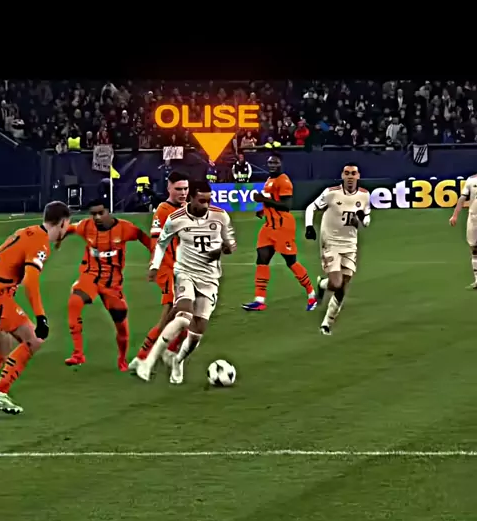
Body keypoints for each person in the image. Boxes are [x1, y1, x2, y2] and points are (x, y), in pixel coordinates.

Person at [134, 180, 236, 385]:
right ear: (190, 198)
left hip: (210, 278)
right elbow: (161, 243)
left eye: (208, 201)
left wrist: (221, 250)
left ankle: (177, 360)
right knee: (182, 315)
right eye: (201, 201)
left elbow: (230, 245)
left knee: (197, 332)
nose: (206, 205)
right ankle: (148, 362)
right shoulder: (176, 218)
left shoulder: (220, 216)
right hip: (185, 272)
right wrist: (155, 266)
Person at [0, 201, 71, 415]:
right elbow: (30, 281)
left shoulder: (27, 231)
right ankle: (0, 391)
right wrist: (40, 317)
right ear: (63, 222)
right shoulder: (41, 242)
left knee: (3, 347)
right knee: (34, 339)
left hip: (2, 293)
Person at [64, 199, 152, 371]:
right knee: (74, 301)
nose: (97, 217)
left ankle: (122, 359)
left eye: (100, 213)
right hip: (90, 277)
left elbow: (142, 236)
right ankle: (78, 354)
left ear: (108, 211)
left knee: (121, 326)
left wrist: (155, 257)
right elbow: (71, 228)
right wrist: (59, 237)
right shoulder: (86, 226)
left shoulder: (125, 228)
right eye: (93, 214)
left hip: (112, 284)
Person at [129, 172, 189, 371]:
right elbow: (157, 243)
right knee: (171, 316)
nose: (183, 192)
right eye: (178, 189)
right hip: (169, 269)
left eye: (185, 188)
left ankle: (166, 351)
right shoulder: (163, 211)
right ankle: (142, 357)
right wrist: (155, 266)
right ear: (169, 188)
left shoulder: (186, 209)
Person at [242, 153, 317, 311]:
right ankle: (259, 300)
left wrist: (263, 200)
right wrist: (263, 211)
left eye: (275, 163)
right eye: (270, 163)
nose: (272, 165)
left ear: (281, 164)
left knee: (291, 262)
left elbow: (286, 205)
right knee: (262, 260)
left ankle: (311, 294)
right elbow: (274, 200)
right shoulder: (270, 180)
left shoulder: (284, 181)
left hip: (283, 227)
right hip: (269, 226)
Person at [305, 164, 371, 336]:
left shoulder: (364, 195)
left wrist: (363, 219)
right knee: (336, 283)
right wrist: (309, 226)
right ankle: (323, 284)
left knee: (344, 284)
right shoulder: (331, 193)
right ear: (342, 175)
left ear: (358, 176)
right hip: (331, 242)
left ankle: (326, 323)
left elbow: (366, 220)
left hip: (350, 244)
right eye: (347, 173)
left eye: (353, 173)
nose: (350, 177)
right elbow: (311, 207)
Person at [449, 173, 477, 288]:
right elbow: (462, 198)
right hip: (473, 218)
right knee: (474, 248)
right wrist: (455, 215)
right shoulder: (471, 180)